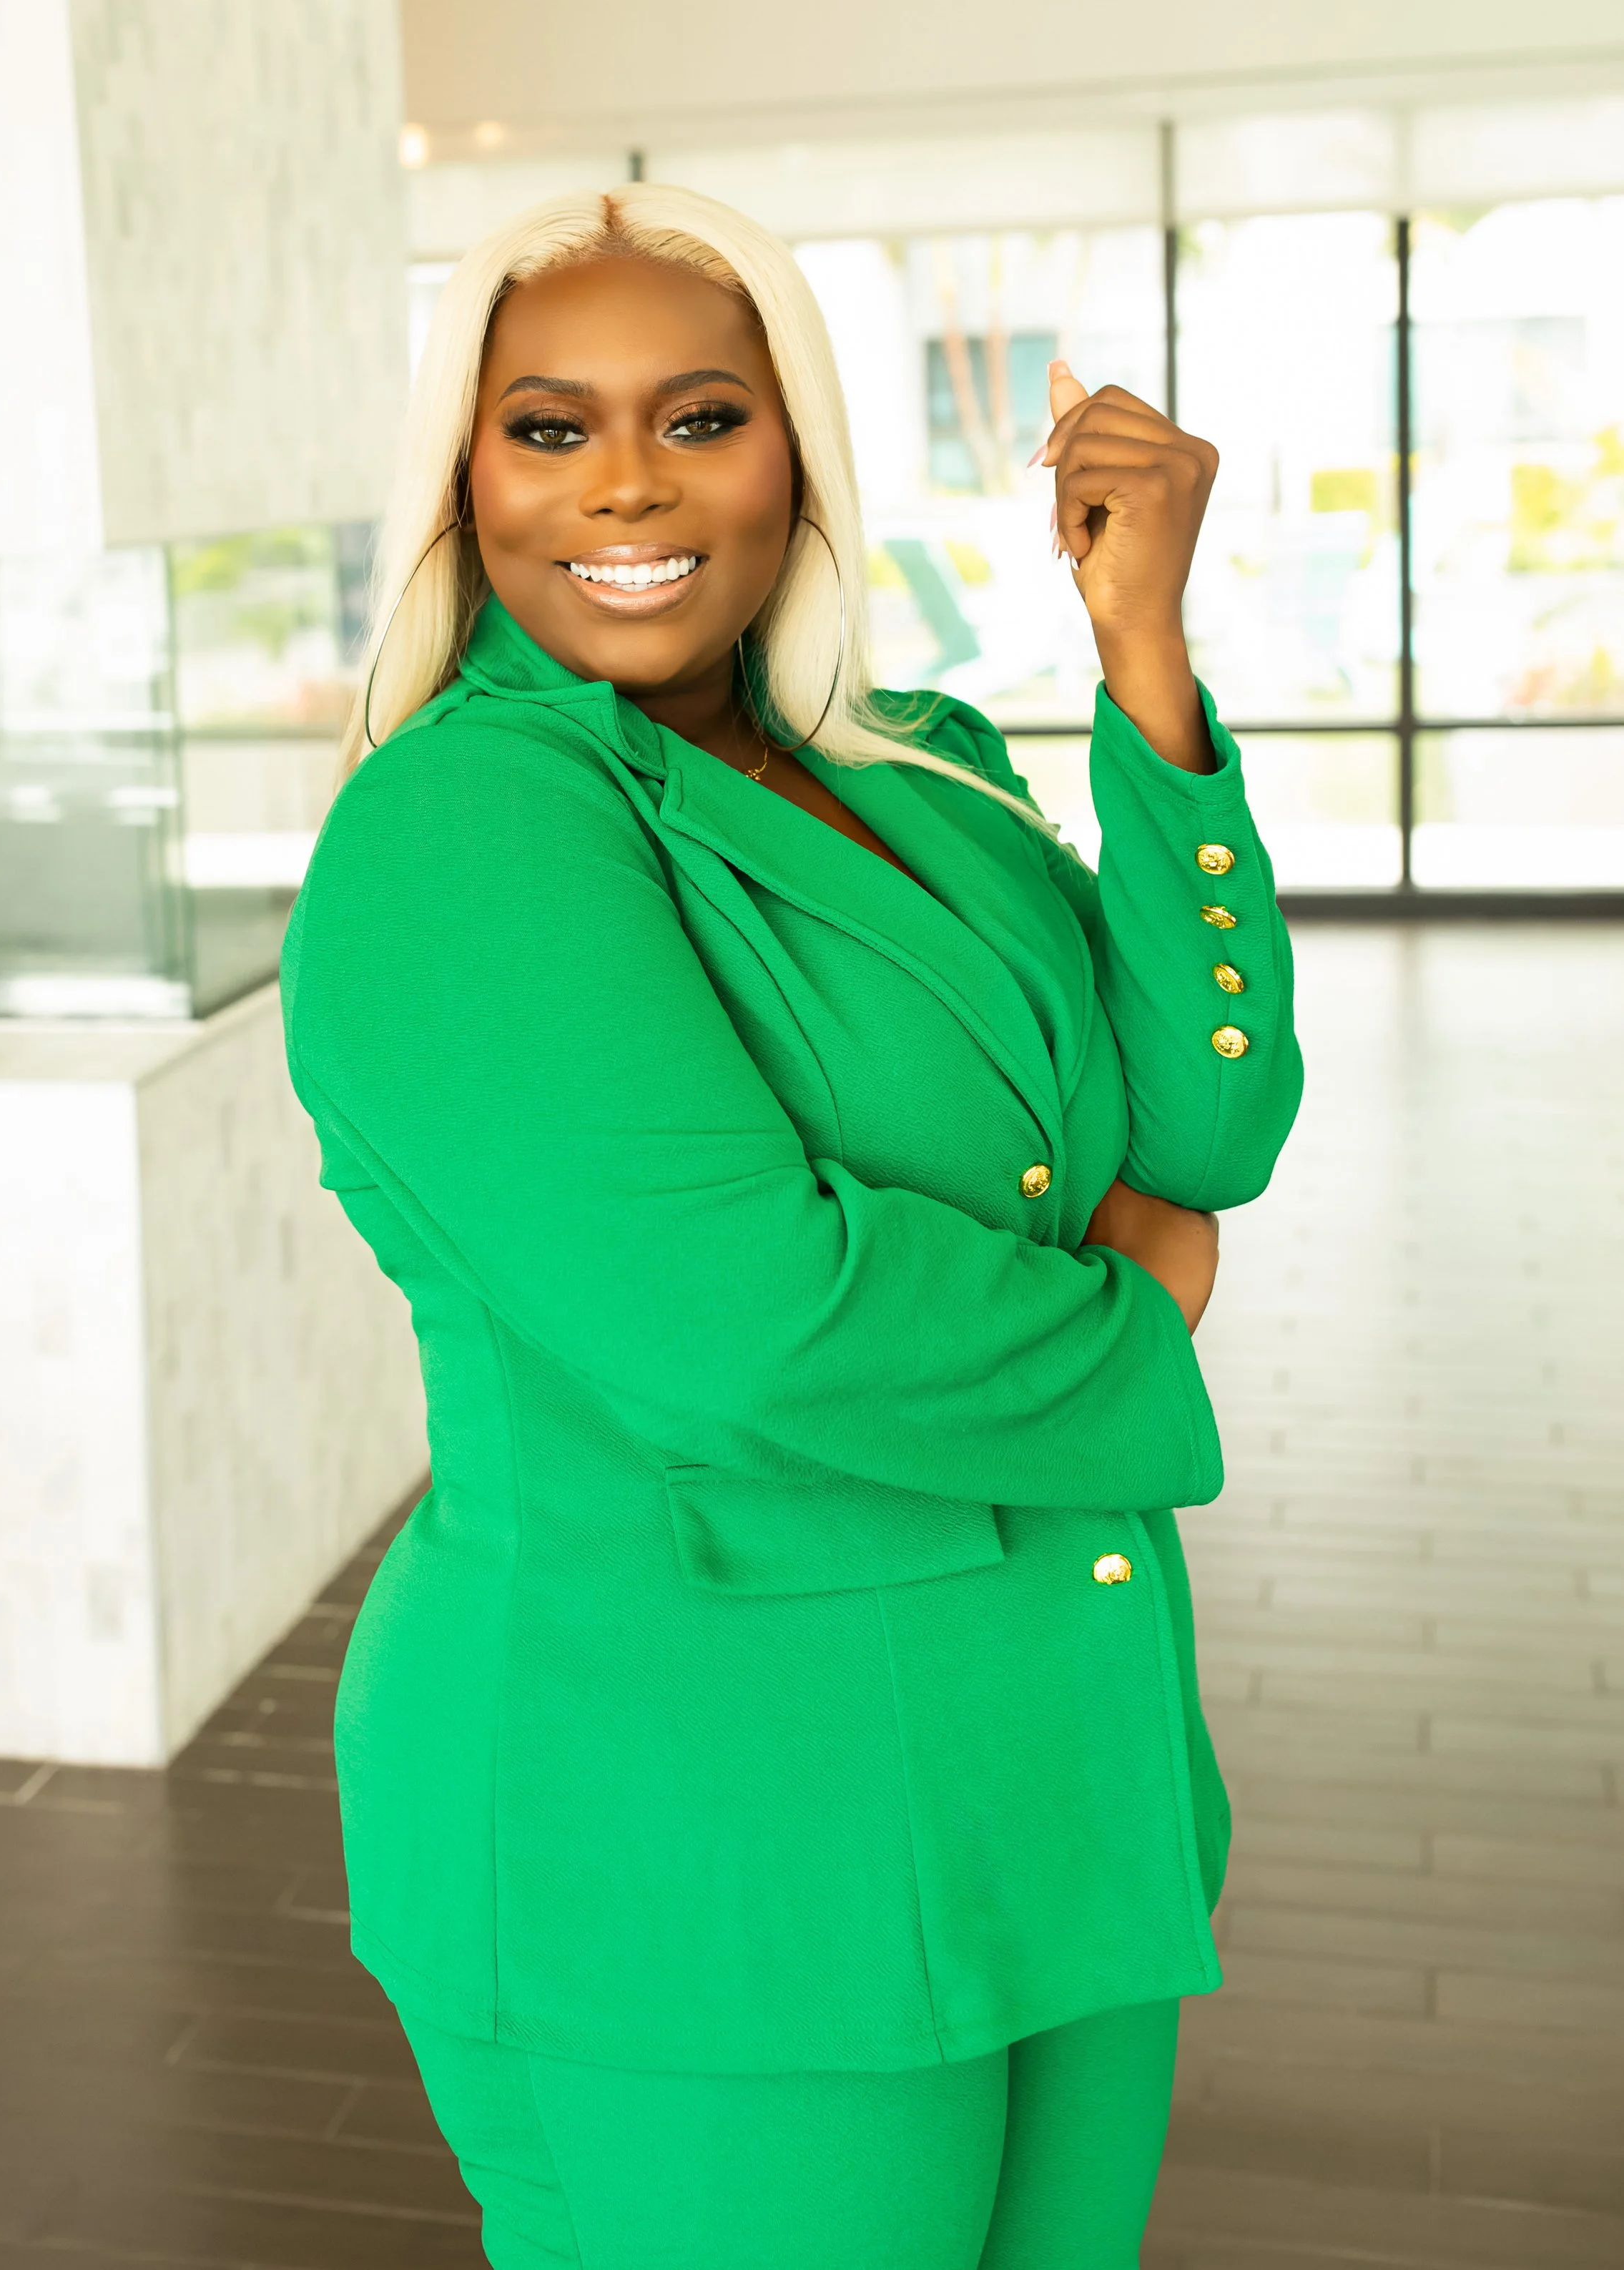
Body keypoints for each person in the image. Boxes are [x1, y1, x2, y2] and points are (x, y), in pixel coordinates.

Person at [282, 185, 1303, 2270]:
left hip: (1053, 1766)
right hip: (707, 1821)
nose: (627, 485)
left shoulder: (922, 765)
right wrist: (1137, 1308)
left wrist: (1145, 660)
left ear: (795, 453)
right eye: (547, 428)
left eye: (701, 417)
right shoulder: (463, 825)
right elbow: (747, 1313)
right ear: (465, 476)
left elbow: (1208, 1118)